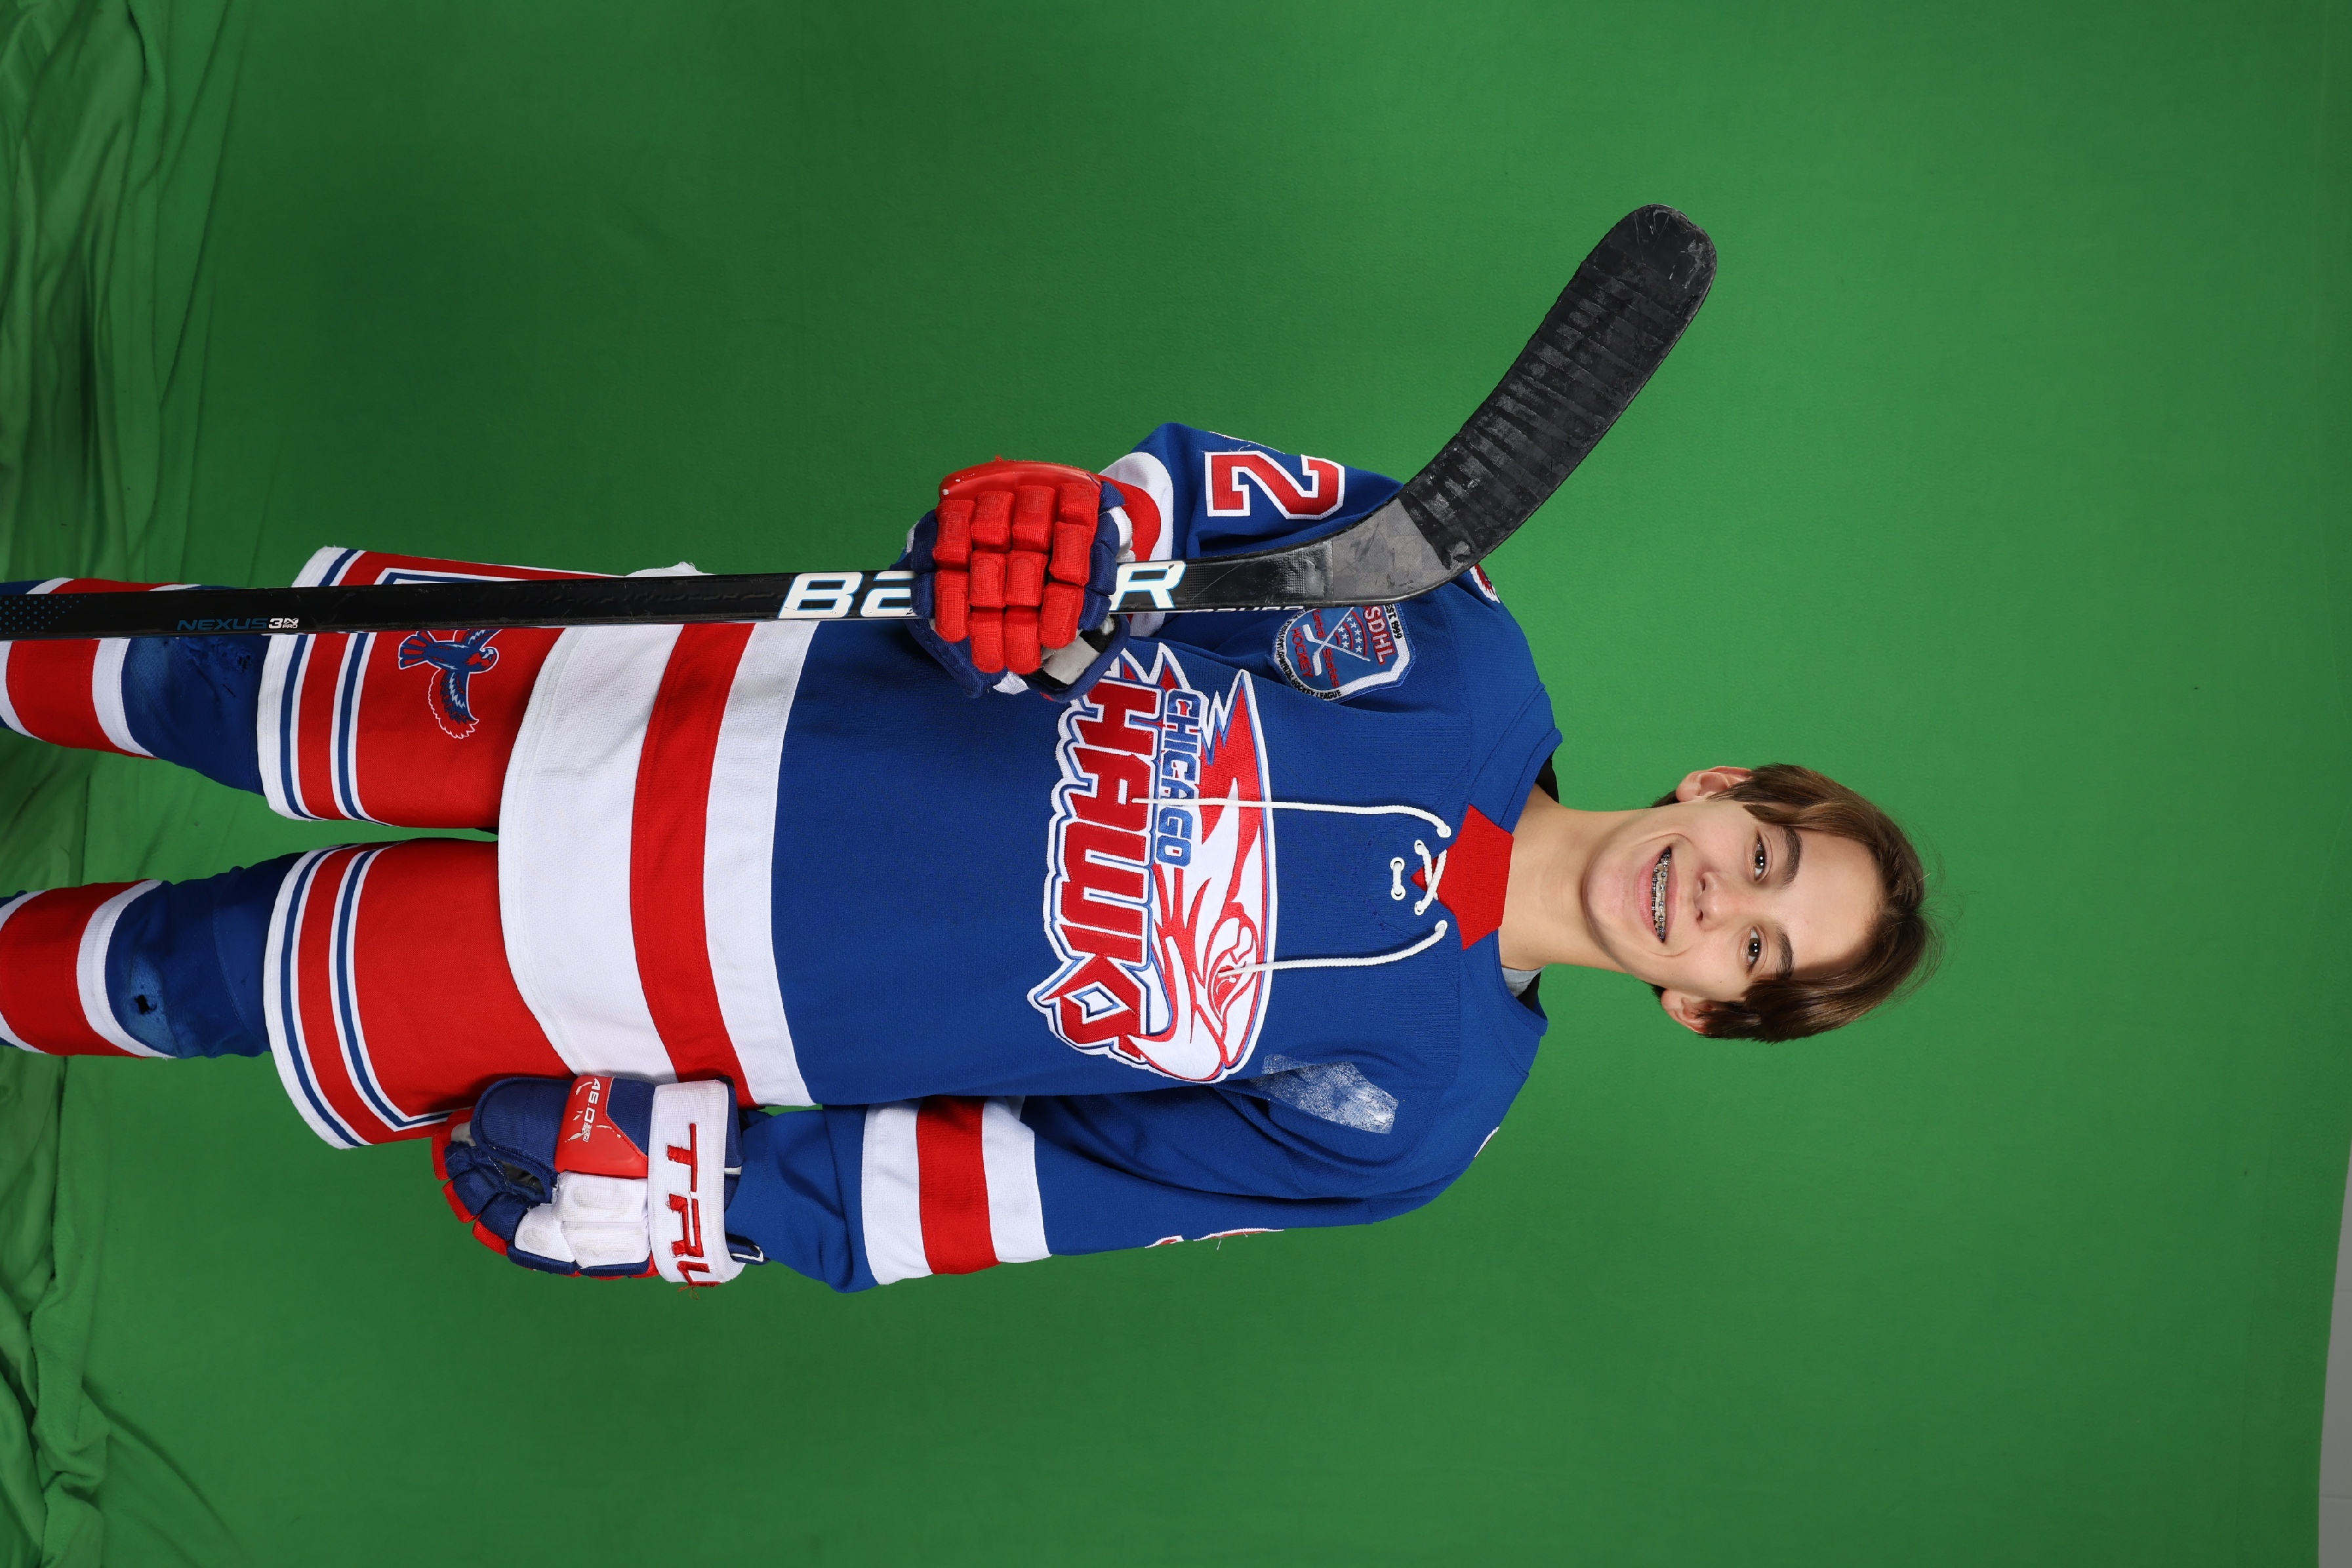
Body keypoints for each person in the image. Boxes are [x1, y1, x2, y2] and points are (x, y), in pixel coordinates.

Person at [0, 424, 1936, 1290]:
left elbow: (1037, 1187)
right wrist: (1074, 537)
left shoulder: (1412, 1119)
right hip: (695, 700)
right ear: (1720, 786)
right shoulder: (1449, 636)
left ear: (1702, 1011)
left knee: (183, 977)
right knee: (193, 676)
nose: (1725, 902)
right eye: (1766, 854)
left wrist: (727, 1197)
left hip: (670, 982)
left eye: (1759, 953)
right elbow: (1176, 511)